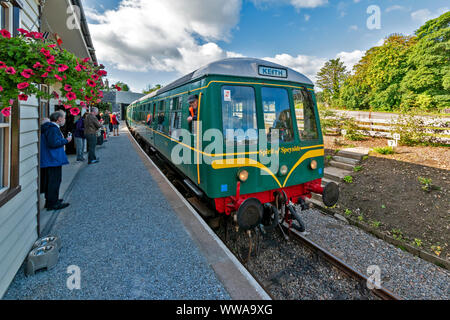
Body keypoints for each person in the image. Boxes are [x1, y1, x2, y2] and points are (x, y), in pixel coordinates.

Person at [40, 110, 71, 210]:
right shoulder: (53, 129)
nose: (64, 120)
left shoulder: (50, 128)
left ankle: (52, 200)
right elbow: (53, 143)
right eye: (64, 118)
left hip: (50, 159)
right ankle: (52, 203)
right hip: (52, 159)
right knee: (54, 181)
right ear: (59, 119)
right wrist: (66, 140)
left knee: (52, 181)